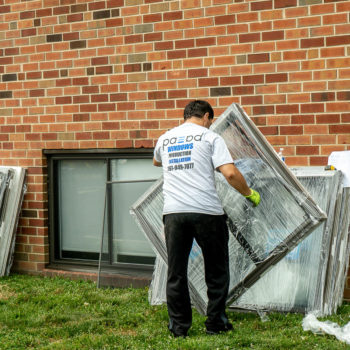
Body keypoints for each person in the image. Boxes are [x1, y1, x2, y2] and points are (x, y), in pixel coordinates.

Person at [153, 100, 260, 337]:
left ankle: (179, 329)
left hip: (174, 213)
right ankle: (216, 323)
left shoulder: (166, 137)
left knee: (176, 271)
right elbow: (230, 173)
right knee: (216, 269)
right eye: (210, 121)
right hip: (207, 213)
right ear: (207, 117)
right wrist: (249, 193)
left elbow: (156, 160)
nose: (210, 125)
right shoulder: (210, 137)